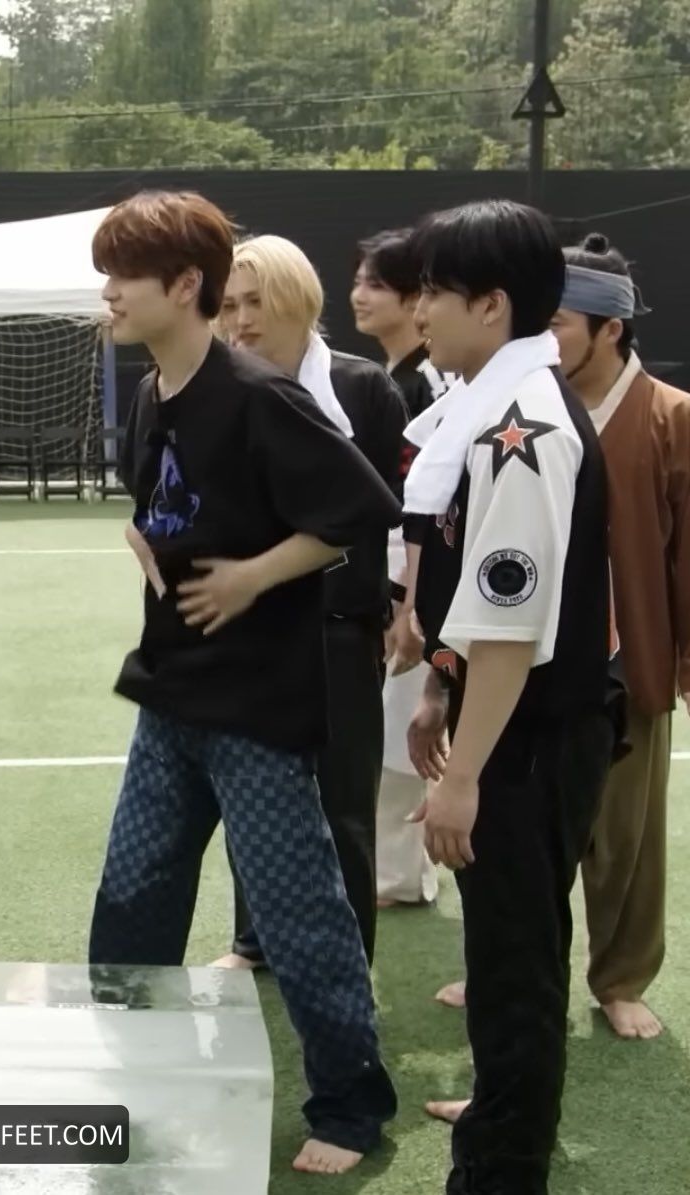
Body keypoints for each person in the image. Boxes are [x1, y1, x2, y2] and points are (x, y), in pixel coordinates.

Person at [86, 191, 398, 1176]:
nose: (108, 293)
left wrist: (254, 576)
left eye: (124, 276)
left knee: (298, 912)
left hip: (257, 704)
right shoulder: (151, 394)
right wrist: (151, 539)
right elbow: (170, 506)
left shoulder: (261, 395)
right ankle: (125, 1071)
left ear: (185, 285)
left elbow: (359, 509)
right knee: (131, 895)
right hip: (170, 691)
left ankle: (350, 1106)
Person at [402, 199, 623, 1195]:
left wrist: (464, 777)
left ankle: (501, 1167)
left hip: (528, 737)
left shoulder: (521, 426)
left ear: (490, 305)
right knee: (509, 953)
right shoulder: (499, 408)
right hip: (516, 727)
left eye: (434, 293)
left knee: (516, 961)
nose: (420, 313)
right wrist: (438, 695)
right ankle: (502, 1116)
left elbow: (506, 624)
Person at [554, 233, 690, 1038]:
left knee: (626, 837)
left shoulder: (677, 418)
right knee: (522, 828)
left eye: (558, 323)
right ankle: (511, 960)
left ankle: (621, 975)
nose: (543, 338)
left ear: (610, 329)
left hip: (626, 660)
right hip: (531, 657)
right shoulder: (529, 413)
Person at [213, 233, 408, 966]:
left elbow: (398, 512)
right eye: (229, 305)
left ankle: (345, 958)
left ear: (299, 301)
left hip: (338, 630)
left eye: (257, 302)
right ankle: (254, 941)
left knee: (342, 808)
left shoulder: (364, 389)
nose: (242, 320)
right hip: (246, 631)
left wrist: (402, 605)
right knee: (250, 797)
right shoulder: (216, 388)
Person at [351, 227, 450, 908]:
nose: (359, 294)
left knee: (401, 726)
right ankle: (399, 868)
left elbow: (427, 504)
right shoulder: (391, 375)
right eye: (359, 281)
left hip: (413, 574)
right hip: (389, 572)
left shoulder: (431, 381)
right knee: (387, 727)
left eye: (376, 284)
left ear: (418, 297)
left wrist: (410, 602)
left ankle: (401, 874)